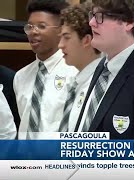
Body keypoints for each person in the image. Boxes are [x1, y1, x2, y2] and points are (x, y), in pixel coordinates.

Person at [74, 0, 134, 139]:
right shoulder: (104, 64)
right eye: (92, 15)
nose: (91, 23)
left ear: (129, 22)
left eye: (100, 16)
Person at [14, 0, 78, 139]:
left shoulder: (76, 71)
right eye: (29, 27)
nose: (33, 32)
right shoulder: (21, 76)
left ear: (61, 30)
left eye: (41, 26)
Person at [57, 2, 102, 132]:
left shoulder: (99, 86)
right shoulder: (76, 82)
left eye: (67, 38)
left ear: (86, 40)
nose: (60, 45)